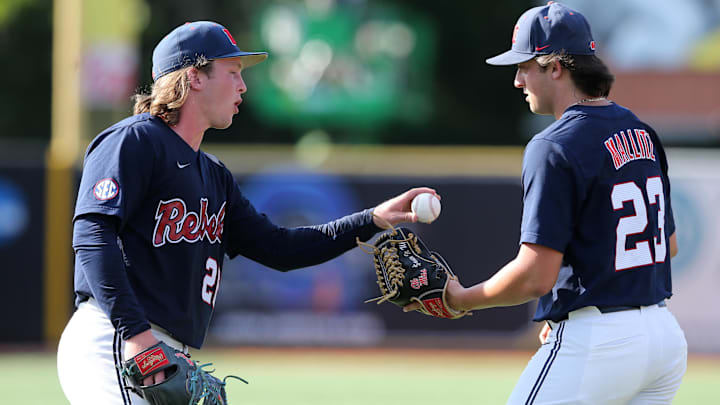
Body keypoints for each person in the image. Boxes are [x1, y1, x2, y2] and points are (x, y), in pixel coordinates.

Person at [56, 20, 437, 405]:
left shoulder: (214, 176)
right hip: (115, 340)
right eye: (233, 72)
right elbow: (92, 237)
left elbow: (280, 248)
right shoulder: (136, 140)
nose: (243, 86)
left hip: (162, 347)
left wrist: (372, 219)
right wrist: (137, 336)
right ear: (195, 76)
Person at [407, 2, 687, 404]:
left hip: (600, 343)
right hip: (664, 340)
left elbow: (536, 276)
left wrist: (460, 299)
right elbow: (668, 246)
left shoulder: (553, 145)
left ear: (555, 66)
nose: (518, 80)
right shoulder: (640, 130)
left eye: (524, 67)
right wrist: (568, 311)